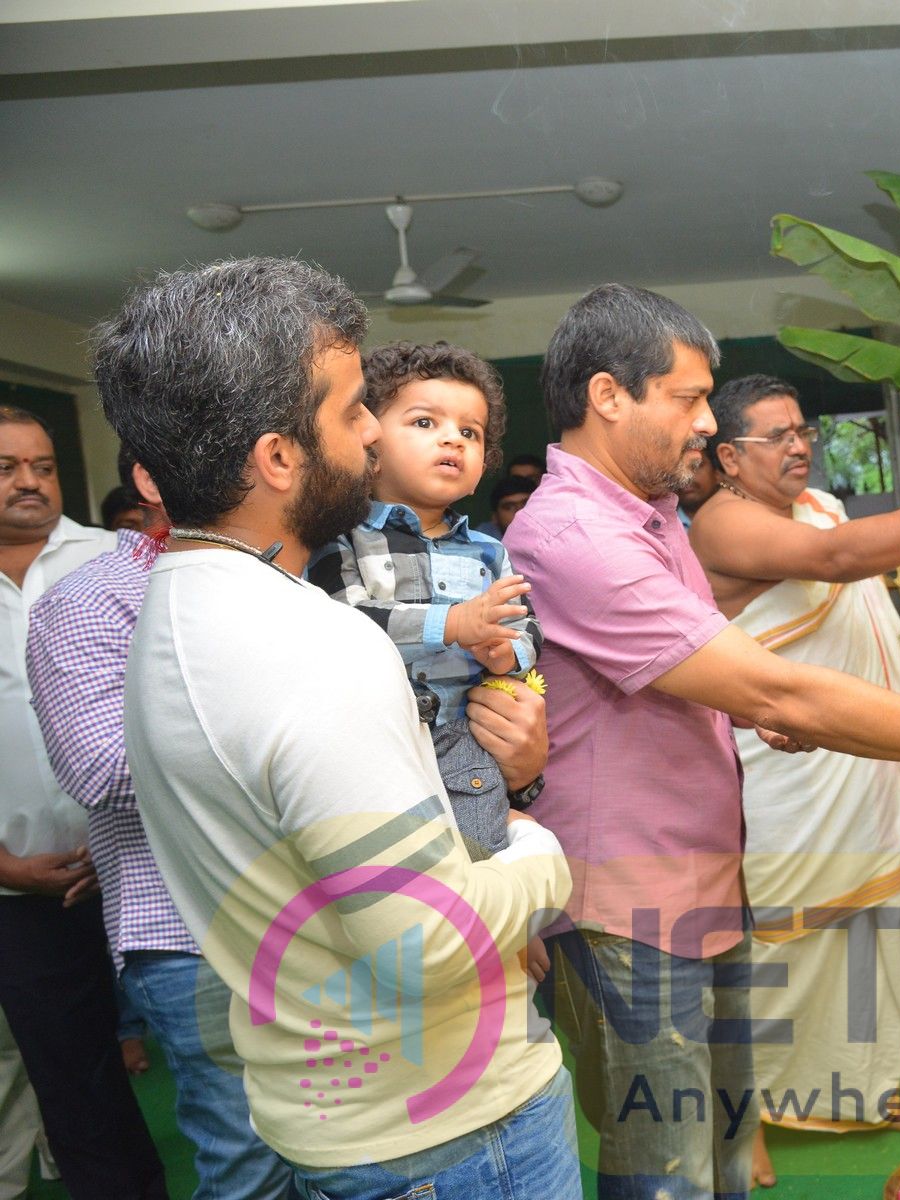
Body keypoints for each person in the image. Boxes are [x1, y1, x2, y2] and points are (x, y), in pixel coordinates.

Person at [505, 283, 900, 1200]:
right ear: (608, 396)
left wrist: (741, 711)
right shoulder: (576, 531)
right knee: (668, 1174)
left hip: (698, 869)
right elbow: (776, 678)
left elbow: (702, 669)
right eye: (689, 398)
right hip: (626, 901)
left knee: (725, 1154)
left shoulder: (649, 516)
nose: (705, 424)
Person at [95, 257, 577, 1198]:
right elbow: (425, 946)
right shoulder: (314, 644)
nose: (372, 434)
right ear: (279, 458)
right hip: (453, 1130)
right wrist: (536, 849)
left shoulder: (178, 610)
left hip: (340, 1113)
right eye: (357, 410)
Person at [685, 374, 900, 1182]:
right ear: (729, 457)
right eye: (778, 436)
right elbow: (837, 562)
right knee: (778, 953)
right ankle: (743, 1121)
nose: (800, 445)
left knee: (879, 941)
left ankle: (864, 1093)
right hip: (787, 778)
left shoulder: (823, 506)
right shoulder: (722, 524)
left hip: (866, 769)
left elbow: (850, 552)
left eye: (803, 429)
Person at [28, 453, 297, 1200]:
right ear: (153, 478)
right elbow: (101, 769)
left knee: (333, 1145)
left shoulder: (284, 580)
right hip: (190, 932)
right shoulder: (90, 601)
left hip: (314, 910)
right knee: (251, 1159)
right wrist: (282, 739)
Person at [0, 406, 166, 1199]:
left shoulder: (114, 561)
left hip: (145, 868)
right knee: (79, 1091)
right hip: (23, 890)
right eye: (5, 467)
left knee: (214, 1068)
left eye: (42, 465)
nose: (29, 481)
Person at [307, 341, 545, 857]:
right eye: (424, 423)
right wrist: (454, 623)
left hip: (467, 749)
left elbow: (527, 624)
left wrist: (510, 652)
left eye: (470, 432)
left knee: (481, 878)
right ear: (367, 439)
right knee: (390, 882)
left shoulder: (489, 552)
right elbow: (347, 621)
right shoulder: (342, 540)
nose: (452, 441)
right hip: (373, 750)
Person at [675, 450, 718, 528]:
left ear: (717, 472)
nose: (686, 478)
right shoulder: (658, 530)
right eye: (676, 468)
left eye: (695, 466)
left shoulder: (736, 521)